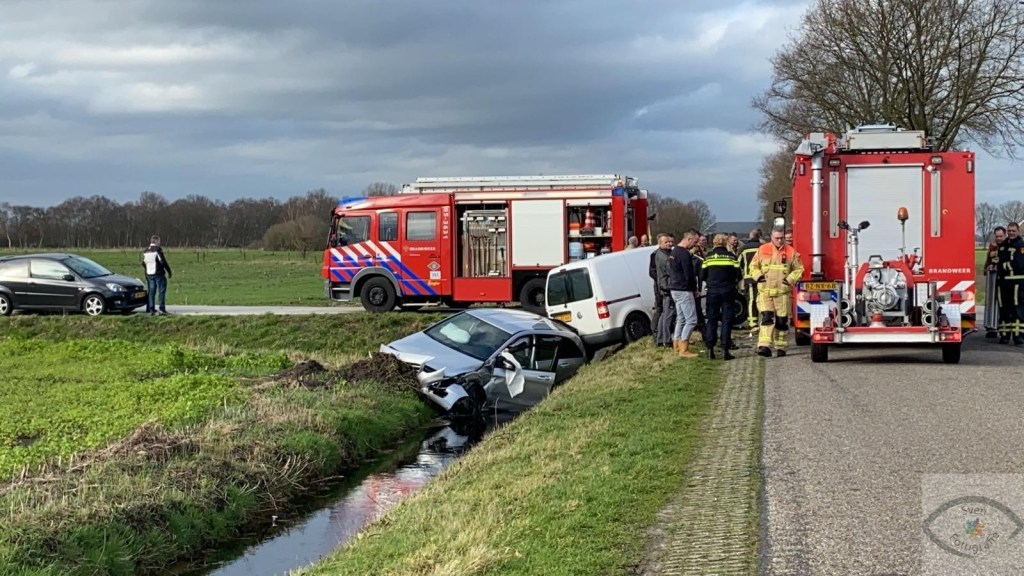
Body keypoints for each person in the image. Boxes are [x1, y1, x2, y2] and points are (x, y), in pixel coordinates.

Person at [748, 227, 804, 358]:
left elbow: (799, 269)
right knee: (767, 318)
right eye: (777, 238)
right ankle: (764, 346)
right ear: (771, 237)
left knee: (781, 321)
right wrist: (758, 277)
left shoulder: (791, 252)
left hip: (782, 293)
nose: (779, 241)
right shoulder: (763, 249)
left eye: (781, 238)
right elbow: (753, 266)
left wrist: (789, 280)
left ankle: (781, 347)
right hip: (765, 291)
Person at [702, 234, 742, 360]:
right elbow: (738, 275)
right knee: (726, 320)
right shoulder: (731, 257)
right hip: (727, 291)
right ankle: (725, 349)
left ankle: (710, 349)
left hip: (712, 291)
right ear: (726, 243)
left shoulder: (708, 257)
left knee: (712, 319)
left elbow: (702, 275)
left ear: (714, 243)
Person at [669, 230, 700, 357]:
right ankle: (684, 348)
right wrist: (694, 289)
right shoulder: (684, 254)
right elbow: (689, 274)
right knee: (691, 320)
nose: (695, 244)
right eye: (695, 241)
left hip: (674, 289)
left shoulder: (674, 251)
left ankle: (676, 345)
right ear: (689, 239)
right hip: (683, 289)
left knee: (681, 318)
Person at [995, 222, 1024, 345]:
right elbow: (998, 260)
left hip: (1017, 283)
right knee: (1004, 309)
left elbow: (1019, 264)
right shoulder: (1002, 246)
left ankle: (1018, 337)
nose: (1011, 233)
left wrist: (1001, 266)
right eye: (1009, 230)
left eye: (1013, 230)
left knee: (1017, 310)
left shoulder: (1021, 245)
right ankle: (1004, 335)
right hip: (1003, 283)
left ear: (1018, 231)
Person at [738, 229, 763, 336]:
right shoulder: (763, 247)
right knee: (764, 300)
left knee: (752, 300)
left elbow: (737, 264)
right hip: (763, 278)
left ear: (750, 236)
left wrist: (739, 277)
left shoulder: (743, 249)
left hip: (750, 279)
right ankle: (765, 322)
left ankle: (753, 324)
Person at [653, 233, 676, 347]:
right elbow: (671, 270)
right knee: (668, 314)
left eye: (670, 242)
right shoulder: (664, 256)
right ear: (660, 243)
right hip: (667, 286)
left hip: (664, 285)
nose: (669, 244)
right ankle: (666, 340)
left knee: (664, 314)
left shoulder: (662, 254)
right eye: (666, 242)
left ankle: (661, 338)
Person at [142, 235, 173, 315]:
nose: (160, 242)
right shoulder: (157, 249)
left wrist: (147, 270)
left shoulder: (146, 250)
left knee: (151, 292)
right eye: (159, 241)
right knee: (161, 291)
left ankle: (151, 309)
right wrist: (168, 271)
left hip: (149, 273)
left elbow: (143, 262)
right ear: (156, 241)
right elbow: (162, 261)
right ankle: (161, 309)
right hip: (158, 273)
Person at [984, 227, 1006, 339]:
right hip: (993, 278)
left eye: (1001, 236)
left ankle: (1003, 329)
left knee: (1003, 304)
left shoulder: (1008, 245)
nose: (999, 238)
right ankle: (991, 328)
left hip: (1005, 278)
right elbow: (989, 259)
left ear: (1005, 235)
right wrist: (986, 268)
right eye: (997, 236)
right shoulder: (992, 246)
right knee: (992, 302)